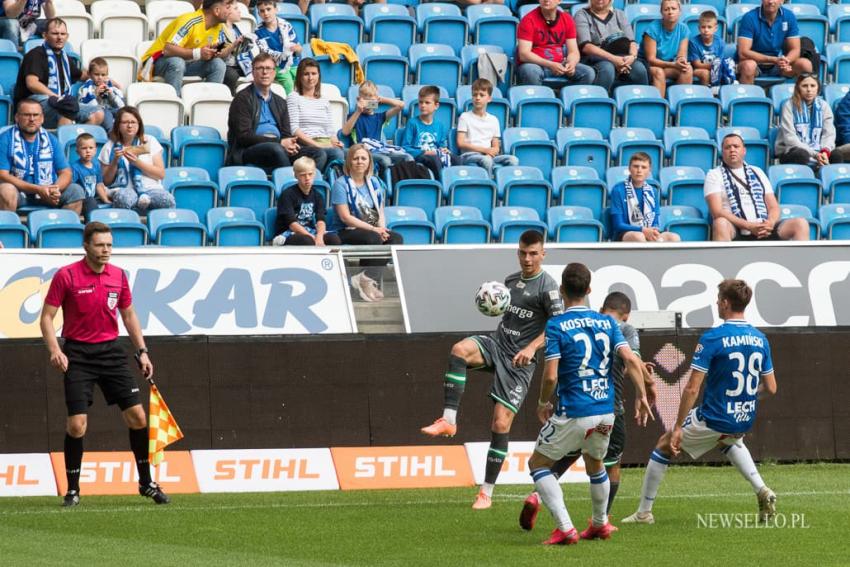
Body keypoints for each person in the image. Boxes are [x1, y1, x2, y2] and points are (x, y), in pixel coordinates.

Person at [421, 230, 565, 510]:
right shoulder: (510, 281)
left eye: (533, 253)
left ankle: (486, 492)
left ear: (543, 254)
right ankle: (448, 419)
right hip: (497, 346)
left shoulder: (548, 287)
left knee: (500, 425)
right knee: (459, 350)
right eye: (523, 253)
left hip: (519, 363)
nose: (527, 258)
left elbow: (556, 327)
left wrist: (532, 348)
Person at [622, 279, 777, 525]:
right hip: (743, 417)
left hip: (714, 416)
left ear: (725, 303)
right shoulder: (760, 338)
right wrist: (745, 398)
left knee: (664, 444)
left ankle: (644, 513)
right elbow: (771, 387)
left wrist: (678, 427)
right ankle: (762, 490)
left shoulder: (713, 337)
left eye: (718, 299)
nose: (717, 302)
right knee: (729, 440)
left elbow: (692, 388)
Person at [40, 221, 170, 508]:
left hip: (112, 353)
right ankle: (72, 490)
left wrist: (143, 352)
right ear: (86, 246)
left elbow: (129, 316)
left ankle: (146, 482)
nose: (106, 250)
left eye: (109, 245)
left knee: (138, 418)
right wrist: (54, 351)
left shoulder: (118, 276)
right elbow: (46, 318)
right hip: (78, 355)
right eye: (100, 245)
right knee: (77, 425)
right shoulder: (66, 276)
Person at [527, 263, 651, 544]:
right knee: (595, 462)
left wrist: (543, 402)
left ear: (561, 292)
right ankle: (599, 524)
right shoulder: (607, 323)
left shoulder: (557, 325)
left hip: (575, 410)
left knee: (538, 465)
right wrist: (642, 395)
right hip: (606, 410)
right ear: (589, 290)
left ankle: (565, 527)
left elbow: (550, 375)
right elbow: (631, 360)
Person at [328, 144, 402, 302]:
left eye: (363, 158)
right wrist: (374, 229)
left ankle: (364, 278)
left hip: (372, 227)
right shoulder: (340, 184)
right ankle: (366, 282)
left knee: (396, 239)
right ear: (349, 162)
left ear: (369, 162)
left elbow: (380, 210)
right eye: (355, 158)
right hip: (346, 230)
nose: (359, 162)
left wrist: (381, 228)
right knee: (373, 238)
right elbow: (345, 217)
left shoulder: (375, 182)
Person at [226, 53, 324, 173]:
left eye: (268, 68)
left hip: (279, 147)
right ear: (253, 72)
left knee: (318, 153)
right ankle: (290, 182)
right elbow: (243, 137)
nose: (265, 72)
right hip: (250, 150)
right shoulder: (242, 99)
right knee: (276, 149)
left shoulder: (280, 101)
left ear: (274, 73)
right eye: (260, 68)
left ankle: (300, 183)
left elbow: (287, 134)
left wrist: (290, 144)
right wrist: (279, 142)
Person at [705, 133, 809, 242]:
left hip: (764, 226)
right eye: (727, 147)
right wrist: (749, 226)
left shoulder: (757, 171)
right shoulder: (714, 174)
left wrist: (770, 223)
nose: (732, 150)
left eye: (736, 146)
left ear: (744, 151)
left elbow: (773, 206)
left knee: (800, 224)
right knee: (720, 222)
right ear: (722, 152)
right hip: (736, 228)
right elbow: (717, 211)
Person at [13, 18, 104, 128]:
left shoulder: (65, 58)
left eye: (63, 34)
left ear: (67, 36)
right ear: (45, 35)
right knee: (65, 109)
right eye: (55, 33)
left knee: (97, 114)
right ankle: (62, 143)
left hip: (59, 103)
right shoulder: (35, 55)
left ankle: (76, 142)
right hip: (33, 103)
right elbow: (32, 83)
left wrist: (102, 77)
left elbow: (82, 75)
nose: (60, 37)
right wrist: (56, 98)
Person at [0, 98, 84, 213]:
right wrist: (38, 189)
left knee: (76, 191)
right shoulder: (5, 139)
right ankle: (8, 230)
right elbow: (2, 175)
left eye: (36, 115)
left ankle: (59, 227)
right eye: (26, 115)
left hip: (48, 191)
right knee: (6, 190)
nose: (32, 119)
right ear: (17, 117)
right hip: (20, 193)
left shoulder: (51, 140)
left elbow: (66, 172)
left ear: (42, 118)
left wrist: (54, 189)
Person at [140, 0, 234, 97]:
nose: (231, 11)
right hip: (157, 61)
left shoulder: (218, 26)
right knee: (177, 63)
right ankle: (174, 102)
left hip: (187, 62)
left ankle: (208, 102)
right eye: (228, 7)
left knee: (218, 64)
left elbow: (208, 51)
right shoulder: (191, 21)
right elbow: (168, 49)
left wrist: (229, 47)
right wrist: (198, 53)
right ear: (217, 11)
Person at [99, 107, 175, 213]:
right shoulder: (109, 146)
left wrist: (137, 163)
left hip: (150, 189)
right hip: (124, 189)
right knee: (124, 199)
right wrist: (115, 161)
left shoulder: (150, 141)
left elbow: (160, 174)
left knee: (167, 200)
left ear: (139, 124)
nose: (130, 126)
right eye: (125, 122)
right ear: (118, 125)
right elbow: (106, 181)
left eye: (133, 122)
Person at [574, 0, 648, 94]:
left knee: (639, 69)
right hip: (596, 58)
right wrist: (614, 59)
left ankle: (642, 103)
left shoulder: (619, 14)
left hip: (623, 56)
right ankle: (599, 103)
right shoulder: (581, 14)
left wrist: (632, 57)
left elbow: (632, 42)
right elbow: (586, 46)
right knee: (607, 68)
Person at [515, 0, 595, 87]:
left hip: (560, 63)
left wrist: (571, 64)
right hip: (537, 65)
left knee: (588, 73)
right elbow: (524, 54)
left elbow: (574, 52)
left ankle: (567, 97)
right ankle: (539, 99)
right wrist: (550, 64)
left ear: (559, 1)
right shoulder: (528, 20)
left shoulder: (567, 19)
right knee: (529, 70)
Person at [287, 58, 345, 174]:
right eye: (306, 74)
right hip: (304, 145)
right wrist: (318, 145)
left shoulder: (324, 100)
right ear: (300, 76)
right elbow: (294, 129)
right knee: (328, 153)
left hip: (324, 142)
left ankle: (330, 182)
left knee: (352, 153)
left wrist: (336, 142)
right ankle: (317, 182)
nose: (310, 78)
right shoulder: (293, 97)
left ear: (318, 76)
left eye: (314, 74)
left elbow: (330, 129)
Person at [342, 80, 410, 178]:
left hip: (378, 150)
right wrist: (358, 111)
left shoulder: (380, 117)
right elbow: (345, 132)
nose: (369, 104)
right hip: (362, 152)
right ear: (359, 100)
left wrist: (380, 99)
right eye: (366, 100)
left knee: (408, 157)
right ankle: (383, 184)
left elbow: (401, 105)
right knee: (385, 160)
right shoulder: (354, 116)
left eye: (371, 101)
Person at [609, 152, 680, 242]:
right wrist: (642, 230)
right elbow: (618, 224)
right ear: (629, 169)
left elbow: (655, 221)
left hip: (648, 231)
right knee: (639, 237)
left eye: (643, 167)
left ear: (649, 170)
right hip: (626, 233)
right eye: (636, 166)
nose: (639, 170)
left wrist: (653, 232)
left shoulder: (652, 191)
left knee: (673, 237)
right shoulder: (618, 190)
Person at [736, 0, 811, 85]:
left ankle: (800, 98)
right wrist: (772, 59)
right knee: (749, 66)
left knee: (805, 64)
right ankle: (748, 97)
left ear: (782, 1)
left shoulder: (789, 16)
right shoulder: (749, 17)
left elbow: (795, 49)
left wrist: (785, 61)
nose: (771, 1)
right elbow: (743, 53)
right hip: (754, 62)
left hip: (777, 64)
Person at [272, 156, 342, 246]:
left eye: (310, 174)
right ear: (296, 175)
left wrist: (319, 237)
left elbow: (321, 219)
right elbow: (291, 223)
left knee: (334, 239)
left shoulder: (318, 195)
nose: (307, 178)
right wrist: (313, 238)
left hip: (309, 230)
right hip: (286, 234)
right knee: (308, 241)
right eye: (302, 175)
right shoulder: (287, 194)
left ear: (314, 174)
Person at [456, 78, 519, 177]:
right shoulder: (464, 117)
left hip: (488, 155)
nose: (477, 98)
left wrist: (491, 152)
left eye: (482, 95)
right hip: (469, 155)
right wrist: (485, 150)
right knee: (486, 160)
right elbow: (461, 143)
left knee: (513, 160)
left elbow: (496, 146)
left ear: (489, 98)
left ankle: (502, 185)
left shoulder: (494, 120)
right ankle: (489, 185)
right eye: (474, 94)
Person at [776, 74, 840, 168]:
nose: (809, 90)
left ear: (818, 89)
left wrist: (824, 152)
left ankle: (828, 180)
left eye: (813, 86)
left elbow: (829, 134)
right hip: (791, 150)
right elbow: (790, 138)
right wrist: (814, 154)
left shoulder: (824, 106)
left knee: (836, 154)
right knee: (802, 154)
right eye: (805, 86)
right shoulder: (788, 106)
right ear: (798, 88)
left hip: (819, 150)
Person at [401, 85, 459, 181]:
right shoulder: (412, 123)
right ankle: (441, 185)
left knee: (457, 159)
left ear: (436, 105)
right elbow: (405, 147)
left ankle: (455, 184)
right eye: (420, 102)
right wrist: (425, 152)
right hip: (421, 156)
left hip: (435, 154)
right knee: (435, 159)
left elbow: (440, 145)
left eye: (427, 103)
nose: (423, 105)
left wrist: (444, 150)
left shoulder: (439, 125)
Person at [639, 0, 691, 98]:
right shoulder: (652, 29)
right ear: (661, 12)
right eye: (666, 9)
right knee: (659, 72)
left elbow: (681, 55)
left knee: (687, 69)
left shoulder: (684, 29)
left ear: (680, 11)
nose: (670, 12)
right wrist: (673, 64)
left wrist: (681, 61)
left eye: (674, 9)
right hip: (647, 65)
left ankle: (678, 104)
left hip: (669, 64)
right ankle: (659, 108)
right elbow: (651, 60)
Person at [255, 0, 301, 93]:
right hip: (275, 65)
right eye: (262, 11)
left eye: (268, 9)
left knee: (303, 80)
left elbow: (298, 49)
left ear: (275, 10)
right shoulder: (258, 31)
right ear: (259, 14)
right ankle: (290, 106)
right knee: (288, 83)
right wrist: (282, 56)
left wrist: (297, 49)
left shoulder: (286, 25)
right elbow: (265, 53)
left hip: (293, 62)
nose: (266, 13)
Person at [77, 57, 125, 132]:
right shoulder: (85, 89)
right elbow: (85, 109)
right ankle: (112, 137)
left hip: (111, 110)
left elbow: (120, 105)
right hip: (100, 114)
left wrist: (111, 95)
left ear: (107, 75)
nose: (100, 77)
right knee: (107, 114)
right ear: (89, 74)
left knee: (127, 113)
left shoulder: (110, 86)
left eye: (103, 75)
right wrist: (95, 95)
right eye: (96, 74)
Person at [688, 11, 734, 88]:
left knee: (728, 66)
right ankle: (707, 95)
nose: (706, 30)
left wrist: (718, 66)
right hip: (697, 69)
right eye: (703, 27)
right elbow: (697, 65)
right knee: (705, 73)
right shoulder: (693, 42)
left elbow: (719, 61)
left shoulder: (720, 42)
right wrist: (714, 66)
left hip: (715, 69)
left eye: (709, 27)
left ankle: (724, 90)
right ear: (699, 28)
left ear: (715, 28)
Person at [72, 133, 110, 217]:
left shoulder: (96, 165)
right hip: (83, 200)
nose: (88, 151)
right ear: (77, 151)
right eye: (84, 148)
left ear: (95, 150)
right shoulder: (75, 167)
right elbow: (73, 188)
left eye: (91, 148)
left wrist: (105, 199)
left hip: (94, 198)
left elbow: (99, 185)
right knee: (90, 201)